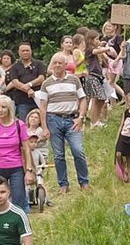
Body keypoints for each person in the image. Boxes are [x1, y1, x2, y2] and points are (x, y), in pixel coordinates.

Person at [36, 53, 90, 193]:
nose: (58, 65)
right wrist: (44, 126)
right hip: (53, 119)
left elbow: (83, 99)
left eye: (61, 63)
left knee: (78, 151)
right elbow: (42, 106)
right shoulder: (46, 83)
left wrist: (81, 117)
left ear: (66, 65)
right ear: (52, 65)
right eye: (55, 63)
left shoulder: (74, 80)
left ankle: (84, 182)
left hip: (72, 119)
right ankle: (63, 185)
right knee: (59, 154)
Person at [6, 42, 46, 120]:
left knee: (40, 122)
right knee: (23, 124)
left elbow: (41, 78)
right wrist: (28, 90)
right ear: (19, 52)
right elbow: (15, 82)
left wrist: (30, 84)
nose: (25, 52)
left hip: (38, 100)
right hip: (22, 102)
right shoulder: (14, 67)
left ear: (31, 51)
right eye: (23, 51)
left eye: (27, 50)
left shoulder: (39, 64)